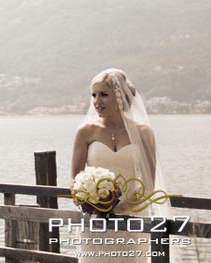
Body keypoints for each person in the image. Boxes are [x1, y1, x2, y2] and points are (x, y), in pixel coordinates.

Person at [69, 68, 178, 262]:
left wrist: (122, 207)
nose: (96, 101)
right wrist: (90, 202)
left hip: (133, 216)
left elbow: (149, 182)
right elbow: (74, 177)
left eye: (103, 95)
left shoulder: (144, 133)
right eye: (93, 95)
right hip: (95, 220)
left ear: (119, 96)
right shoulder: (85, 132)